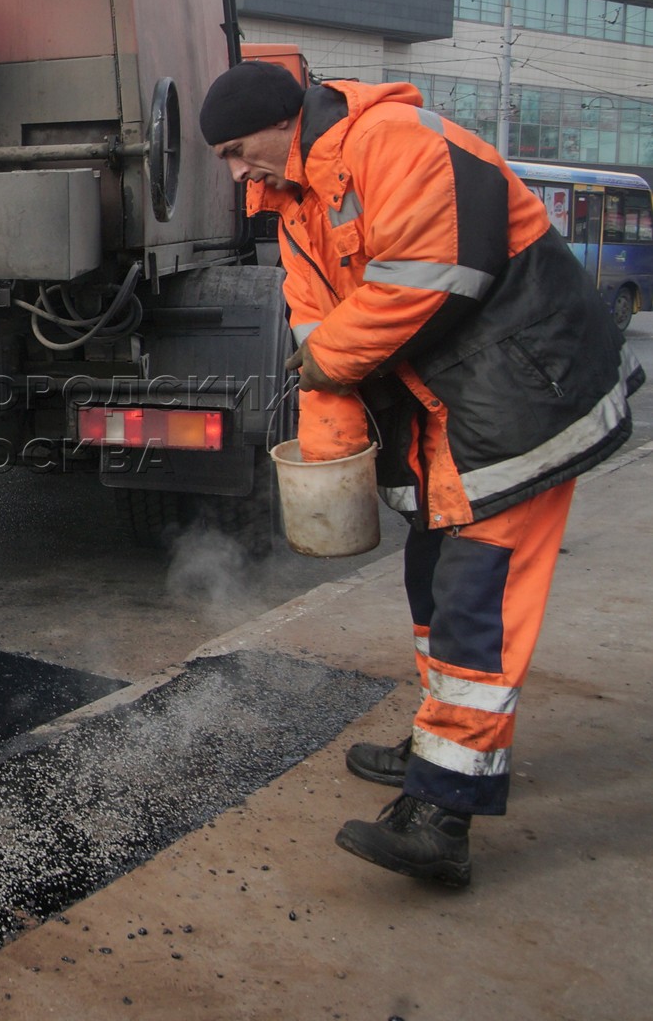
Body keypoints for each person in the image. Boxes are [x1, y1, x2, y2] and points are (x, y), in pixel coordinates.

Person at [199, 59, 642, 886]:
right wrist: (326, 459)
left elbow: (428, 282)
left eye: (236, 148)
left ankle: (442, 817)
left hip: (526, 394)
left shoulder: (395, 143)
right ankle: (442, 745)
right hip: (459, 404)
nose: (235, 172)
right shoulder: (298, 207)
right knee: (431, 576)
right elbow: (317, 337)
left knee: (482, 594)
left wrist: (324, 362)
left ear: (282, 119)